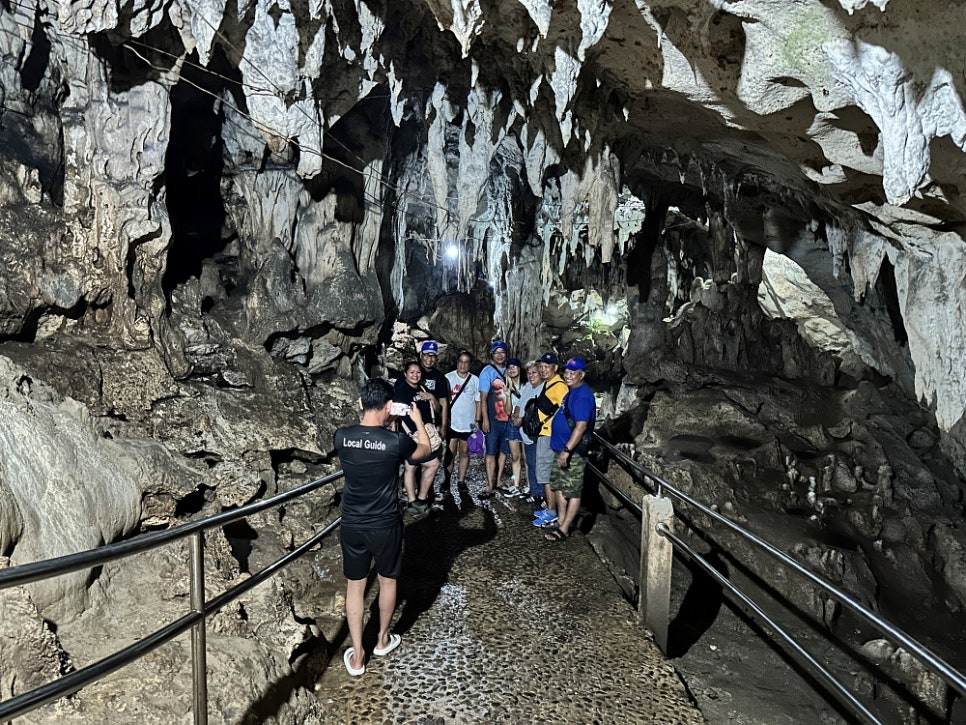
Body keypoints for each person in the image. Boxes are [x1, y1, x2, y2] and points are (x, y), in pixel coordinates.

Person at [334, 378, 431, 676]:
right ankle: (382, 639)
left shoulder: (341, 436)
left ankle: (358, 656)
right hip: (385, 523)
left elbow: (361, 439)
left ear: (362, 402)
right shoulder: (395, 442)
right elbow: (425, 450)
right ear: (389, 406)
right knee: (388, 581)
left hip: (351, 522)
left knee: (355, 586)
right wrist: (415, 420)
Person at [545, 357, 596, 541]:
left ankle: (565, 528)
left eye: (572, 373)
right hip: (561, 449)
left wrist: (567, 450)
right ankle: (561, 519)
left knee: (572, 491)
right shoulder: (572, 392)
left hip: (572, 452)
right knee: (559, 486)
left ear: (581, 375)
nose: (568, 375)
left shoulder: (583, 395)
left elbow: (581, 426)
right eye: (566, 372)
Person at [393, 361, 441, 514]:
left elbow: (437, 409)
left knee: (413, 467)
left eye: (418, 372)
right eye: (412, 372)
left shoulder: (422, 388)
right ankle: (416, 500)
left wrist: (431, 397)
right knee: (423, 465)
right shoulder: (400, 391)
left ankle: (417, 500)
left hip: (425, 433)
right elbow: (395, 415)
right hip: (411, 435)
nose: (415, 375)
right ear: (405, 374)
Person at [531, 351, 568, 528]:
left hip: (550, 435)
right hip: (546, 434)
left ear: (555, 367)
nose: (544, 370)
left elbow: (565, 412)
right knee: (546, 474)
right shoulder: (550, 383)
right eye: (542, 367)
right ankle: (552, 508)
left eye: (547, 367)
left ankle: (552, 511)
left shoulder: (559, 386)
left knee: (546, 475)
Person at [478, 340, 510, 498]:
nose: (499, 355)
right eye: (496, 352)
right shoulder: (487, 372)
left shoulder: (512, 370)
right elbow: (483, 398)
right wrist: (484, 419)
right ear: (492, 355)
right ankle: (490, 485)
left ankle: (498, 481)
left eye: (502, 352)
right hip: (493, 418)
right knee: (491, 452)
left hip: (508, 420)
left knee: (504, 451)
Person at [444, 350, 480, 491]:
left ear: (469, 364)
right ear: (457, 362)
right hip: (452, 422)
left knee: (465, 453)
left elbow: (478, 402)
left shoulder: (475, 380)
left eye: (466, 362)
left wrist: (477, 421)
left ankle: (461, 481)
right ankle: (446, 479)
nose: (463, 365)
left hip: (468, 423)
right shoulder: (448, 378)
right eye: (460, 362)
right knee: (449, 453)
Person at [512, 360, 543, 507]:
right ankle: (534, 491)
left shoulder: (543, 388)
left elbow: (536, 412)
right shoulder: (528, 387)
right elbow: (519, 404)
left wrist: (521, 419)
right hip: (525, 433)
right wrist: (516, 415)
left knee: (537, 465)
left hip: (535, 433)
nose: (531, 376)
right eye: (529, 373)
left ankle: (540, 496)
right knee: (530, 463)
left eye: (534, 372)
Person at [498, 358, 525, 496]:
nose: (512, 369)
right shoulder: (505, 388)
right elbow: (508, 411)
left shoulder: (528, 385)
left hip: (526, 424)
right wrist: (508, 396)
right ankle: (516, 485)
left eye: (515, 366)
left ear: (520, 369)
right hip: (513, 424)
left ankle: (531, 487)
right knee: (515, 456)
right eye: (509, 368)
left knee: (527, 457)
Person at [418, 340, 450, 439]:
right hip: (414, 420)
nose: (429, 359)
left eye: (432, 356)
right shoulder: (413, 371)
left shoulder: (439, 377)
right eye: (426, 355)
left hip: (432, 421)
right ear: (421, 355)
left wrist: (444, 426)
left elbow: (444, 403)